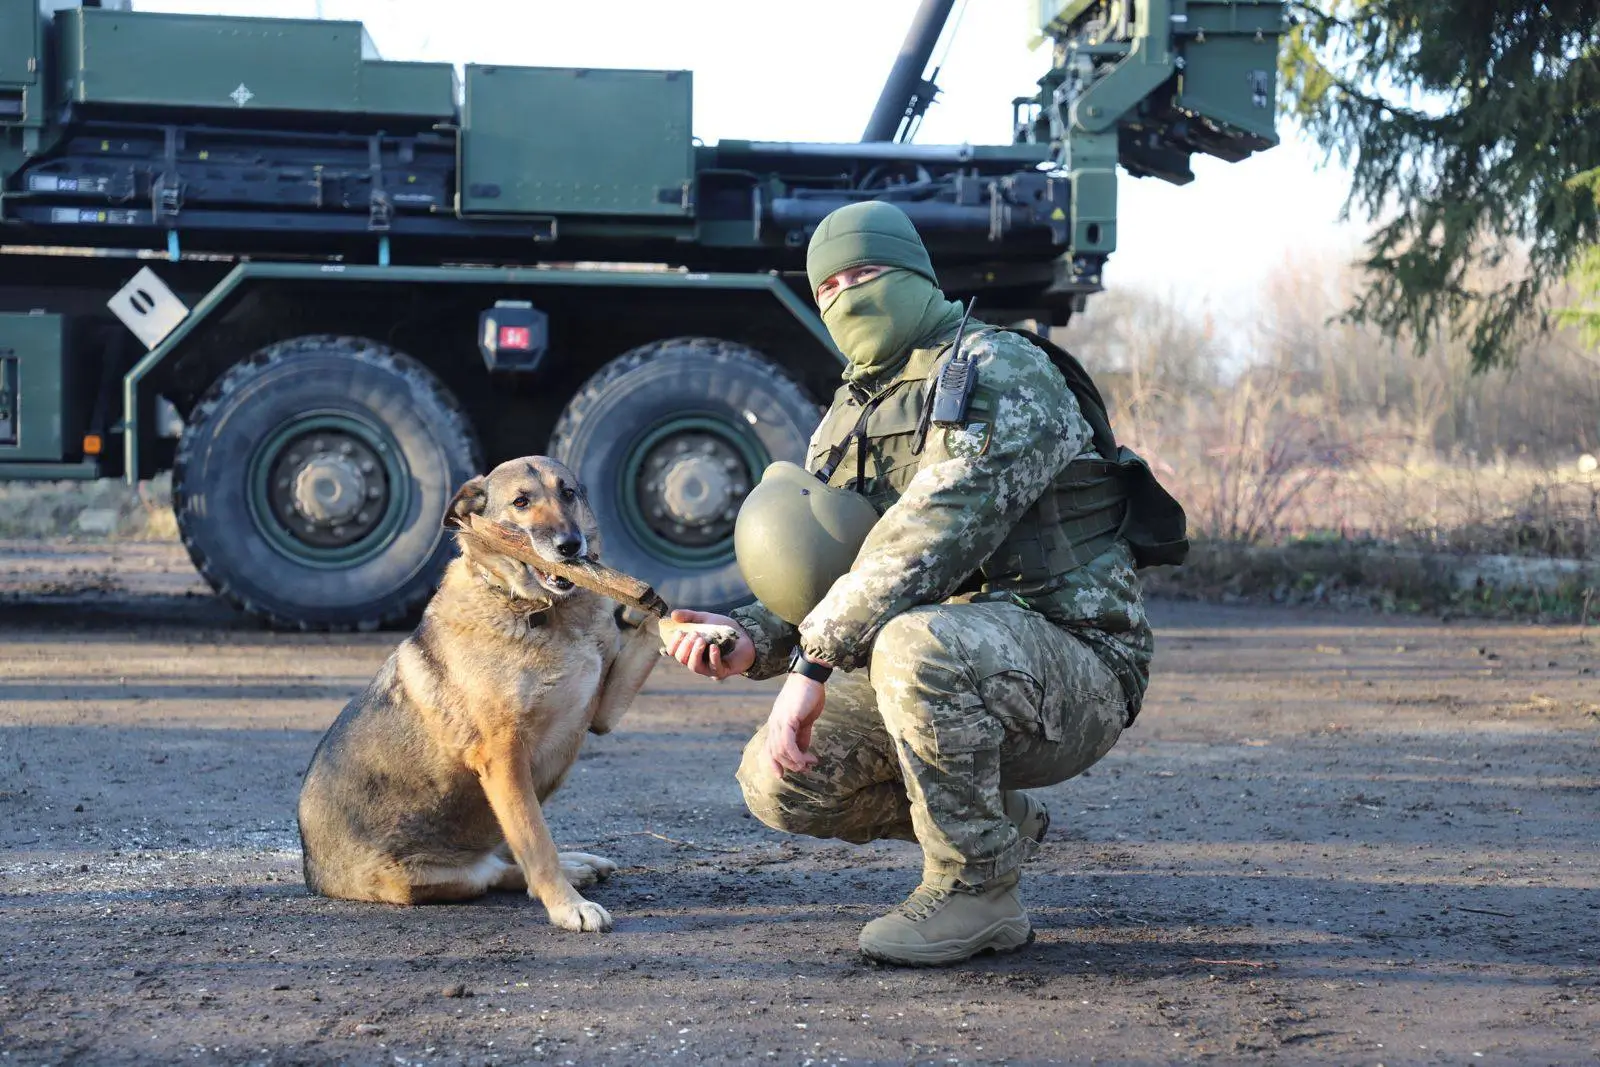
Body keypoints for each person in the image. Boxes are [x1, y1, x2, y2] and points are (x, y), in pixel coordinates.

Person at [665, 200, 1163, 967]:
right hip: (944, 666)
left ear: (915, 273)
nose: (846, 296)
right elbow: (844, 569)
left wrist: (810, 667)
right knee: (779, 780)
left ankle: (977, 888)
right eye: (828, 287)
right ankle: (993, 820)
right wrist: (752, 637)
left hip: (1076, 663)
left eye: (865, 273)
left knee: (913, 642)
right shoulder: (851, 412)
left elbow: (933, 530)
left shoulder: (999, 370)